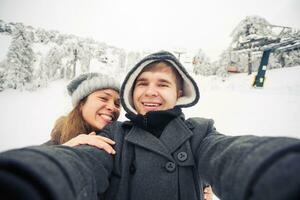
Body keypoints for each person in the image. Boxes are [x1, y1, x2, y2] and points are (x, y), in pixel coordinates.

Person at [0, 51, 299, 200]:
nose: (151, 91)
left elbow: (230, 155)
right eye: (142, 83)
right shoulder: (114, 134)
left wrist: (278, 170)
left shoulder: (200, 132)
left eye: (163, 84)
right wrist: (30, 177)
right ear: (133, 92)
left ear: (179, 94)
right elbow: (81, 164)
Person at [44, 72, 120, 154]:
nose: (112, 107)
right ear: (81, 104)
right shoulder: (58, 139)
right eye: (103, 98)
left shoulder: (120, 142)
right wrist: (66, 150)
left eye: (117, 104)